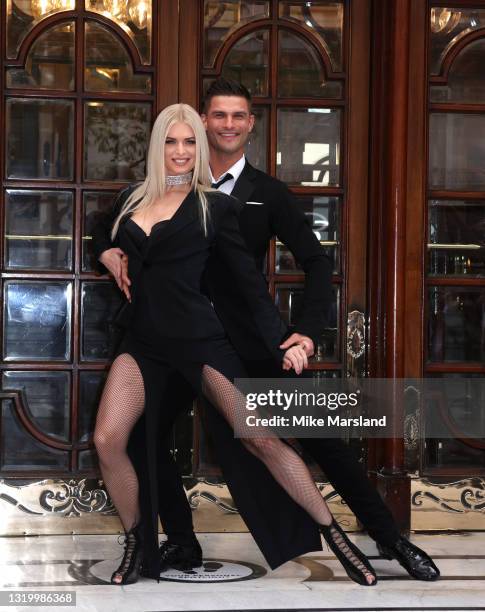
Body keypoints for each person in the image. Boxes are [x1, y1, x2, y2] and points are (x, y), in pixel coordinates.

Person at [120, 79, 440, 583]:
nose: (227, 123)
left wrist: (306, 332)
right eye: (218, 114)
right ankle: (181, 543)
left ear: (250, 125)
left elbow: (316, 261)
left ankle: (390, 539)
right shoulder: (165, 188)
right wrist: (109, 250)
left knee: (323, 440)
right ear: (202, 122)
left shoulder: (266, 193)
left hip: (252, 344)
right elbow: (117, 225)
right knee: (142, 436)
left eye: (238, 116)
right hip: (181, 339)